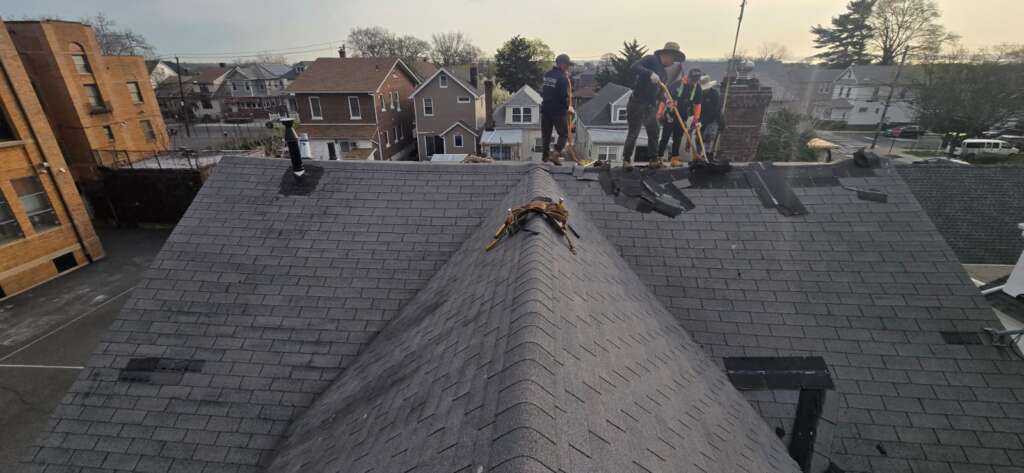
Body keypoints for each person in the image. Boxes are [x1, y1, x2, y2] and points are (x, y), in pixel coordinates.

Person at [621, 42, 686, 168]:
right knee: (634, 132)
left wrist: (666, 101)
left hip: (650, 106)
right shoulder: (651, 59)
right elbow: (634, 67)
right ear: (666, 54)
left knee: (654, 131)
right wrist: (649, 73)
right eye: (673, 59)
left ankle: (653, 160)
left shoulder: (664, 74)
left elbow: (659, 93)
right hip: (637, 103)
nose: (673, 63)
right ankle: (627, 160)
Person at [658, 68, 703, 161]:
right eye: (692, 80)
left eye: (696, 80)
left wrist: (696, 118)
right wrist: (660, 112)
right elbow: (664, 99)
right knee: (665, 136)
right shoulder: (677, 85)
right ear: (688, 77)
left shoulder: (698, 88)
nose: (694, 82)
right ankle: (659, 156)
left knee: (678, 137)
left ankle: (675, 158)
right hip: (670, 114)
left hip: (682, 115)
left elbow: (697, 104)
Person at [540, 53, 573, 165]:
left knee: (546, 135)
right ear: (562, 65)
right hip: (558, 111)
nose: (568, 68)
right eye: (567, 65)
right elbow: (563, 97)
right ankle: (555, 154)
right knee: (563, 134)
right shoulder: (563, 79)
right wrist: (568, 108)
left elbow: (543, 92)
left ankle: (545, 157)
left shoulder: (547, 75)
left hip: (545, 109)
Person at [699, 75, 723, 160]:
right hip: (701, 120)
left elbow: (713, 112)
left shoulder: (715, 95)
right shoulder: (699, 94)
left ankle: (707, 155)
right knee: (699, 138)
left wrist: (702, 122)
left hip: (713, 120)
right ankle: (701, 155)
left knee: (708, 136)